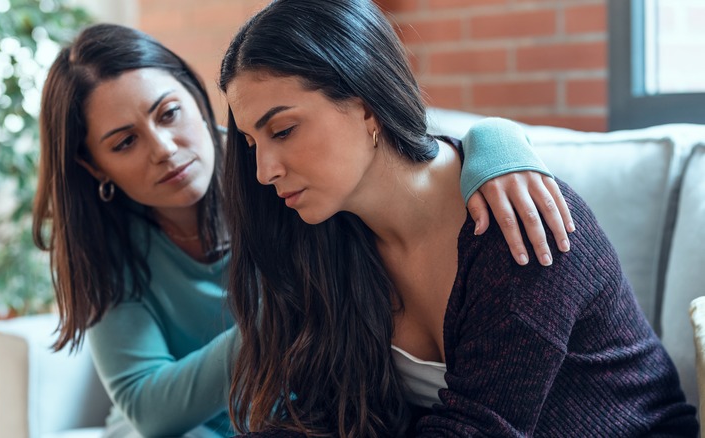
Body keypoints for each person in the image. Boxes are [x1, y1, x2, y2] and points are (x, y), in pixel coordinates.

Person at [32, 23, 574, 438]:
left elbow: (401, 149)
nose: (164, 149)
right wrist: (287, 308)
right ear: (94, 167)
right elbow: (149, 409)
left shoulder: (285, 178)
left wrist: (500, 145)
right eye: (124, 142)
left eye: (169, 113)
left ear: (197, 101)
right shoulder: (111, 248)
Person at [218, 0, 699, 437]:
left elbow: (478, 429)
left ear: (365, 107)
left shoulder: (517, 224)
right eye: (252, 143)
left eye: (283, 130)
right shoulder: (330, 238)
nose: (264, 171)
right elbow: (330, 415)